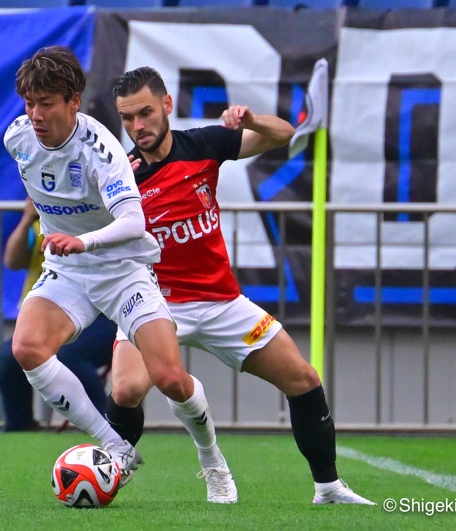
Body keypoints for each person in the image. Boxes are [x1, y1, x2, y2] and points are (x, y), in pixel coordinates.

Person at [107, 66, 374, 505]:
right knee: (126, 389)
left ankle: (328, 487)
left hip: (220, 302)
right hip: (151, 304)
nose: (138, 126)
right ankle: (105, 479)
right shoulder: (122, 175)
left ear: (167, 106)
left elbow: (284, 133)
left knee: (303, 378)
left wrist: (250, 122)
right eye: (128, 118)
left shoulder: (205, 144)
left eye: (146, 113)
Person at [3, 46, 235, 502]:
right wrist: (64, 242)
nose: (35, 114)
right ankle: (114, 446)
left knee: (169, 378)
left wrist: (83, 240)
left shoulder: (101, 149)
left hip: (123, 269)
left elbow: (133, 223)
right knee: (26, 347)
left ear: (74, 101)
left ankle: (214, 463)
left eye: (45, 103)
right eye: (29, 103)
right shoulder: (17, 138)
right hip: (69, 270)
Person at [0, 197, 118, 431]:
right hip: (59, 313)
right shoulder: (43, 221)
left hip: (105, 314)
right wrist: (27, 219)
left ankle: (109, 426)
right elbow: (12, 261)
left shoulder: (101, 216)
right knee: (9, 356)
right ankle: (19, 426)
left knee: (68, 355)